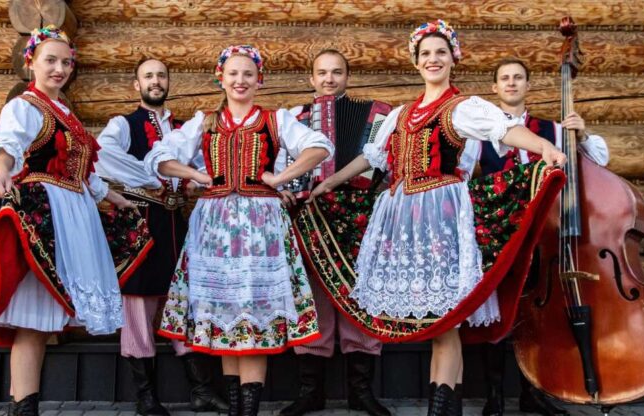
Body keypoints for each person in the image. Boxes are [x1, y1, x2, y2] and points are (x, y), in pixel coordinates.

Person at [308, 20, 567, 416]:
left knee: (446, 322)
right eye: (426, 53)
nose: (433, 59)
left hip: (440, 218)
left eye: (440, 53)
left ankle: (439, 410)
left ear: (453, 59)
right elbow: (370, 156)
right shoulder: (399, 114)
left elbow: (505, 130)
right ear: (416, 61)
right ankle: (447, 408)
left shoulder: (462, 108)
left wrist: (544, 146)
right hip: (402, 222)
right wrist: (331, 183)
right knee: (435, 324)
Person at [146, 45, 332, 416]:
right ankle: (236, 410)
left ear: (259, 80)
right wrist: (196, 174)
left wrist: (280, 178)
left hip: (260, 228)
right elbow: (159, 159)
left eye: (248, 74)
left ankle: (247, 411)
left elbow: (319, 147)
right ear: (221, 78)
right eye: (233, 73)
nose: (240, 80)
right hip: (214, 229)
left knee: (253, 315)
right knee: (223, 318)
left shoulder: (276, 120)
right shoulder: (206, 121)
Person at [0, 26, 148, 416]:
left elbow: (81, 171)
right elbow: (7, 144)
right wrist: (1, 172)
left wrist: (113, 196)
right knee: (33, 316)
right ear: (30, 61)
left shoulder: (64, 111)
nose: (59, 68)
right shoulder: (25, 106)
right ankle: (23, 408)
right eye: (50, 60)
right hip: (46, 216)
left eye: (66, 62)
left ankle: (26, 405)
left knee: (46, 317)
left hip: (75, 212)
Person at [475, 57, 609, 416]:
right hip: (499, 232)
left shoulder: (552, 129)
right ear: (494, 87)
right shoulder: (482, 130)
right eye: (504, 78)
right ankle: (494, 397)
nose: (511, 83)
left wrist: (581, 133)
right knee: (500, 310)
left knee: (536, 314)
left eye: (518, 77)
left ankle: (532, 393)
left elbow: (598, 160)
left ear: (528, 85)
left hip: (545, 236)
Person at [95, 56, 227, 415]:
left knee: (184, 299)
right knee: (138, 302)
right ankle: (146, 398)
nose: (155, 81)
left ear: (169, 83)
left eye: (161, 76)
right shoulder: (123, 124)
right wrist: (151, 175)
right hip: (141, 218)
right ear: (136, 85)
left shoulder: (182, 129)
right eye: (148, 76)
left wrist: (191, 178)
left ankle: (201, 390)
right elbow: (103, 156)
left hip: (177, 221)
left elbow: (201, 166)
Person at [277, 49, 390, 416]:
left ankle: (362, 391)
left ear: (347, 76)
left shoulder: (377, 117)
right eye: (322, 73)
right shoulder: (295, 119)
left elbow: (382, 162)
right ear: (311, 79)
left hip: (360, 213)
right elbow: (283, 164)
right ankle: (311, 392)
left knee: (361, 294)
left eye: (336, 72)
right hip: (312, 213)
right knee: (315, 296)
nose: (329, 79)